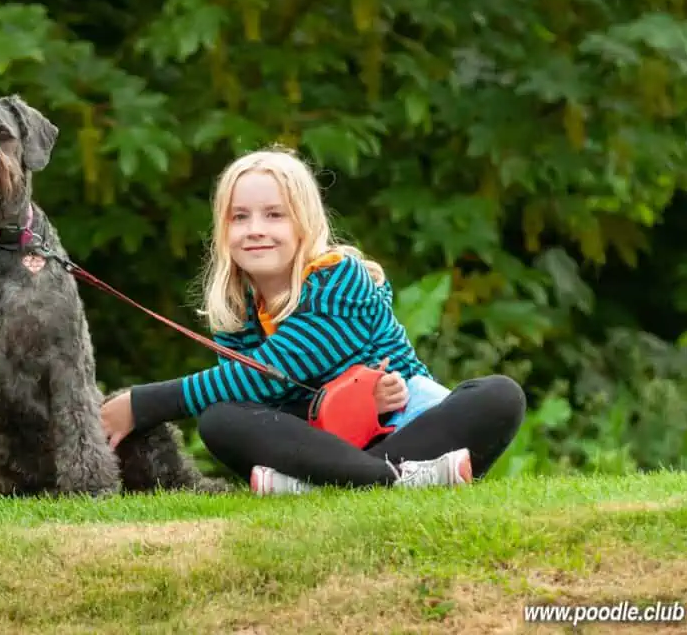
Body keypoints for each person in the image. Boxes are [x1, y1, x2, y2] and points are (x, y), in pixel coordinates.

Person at [101, 146, 526, 495]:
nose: (255, 229)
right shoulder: (236, 312)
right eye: (240, 217)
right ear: (223, 230)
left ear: (304, 223)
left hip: (405, 424)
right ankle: (395, 480)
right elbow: (261, 398)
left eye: (274, 215)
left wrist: (141, 405)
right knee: (220, 417)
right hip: (325, 440)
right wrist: (331, 407)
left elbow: (272, 372)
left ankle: (341, 483)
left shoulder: (339, 278)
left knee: (499, 395)